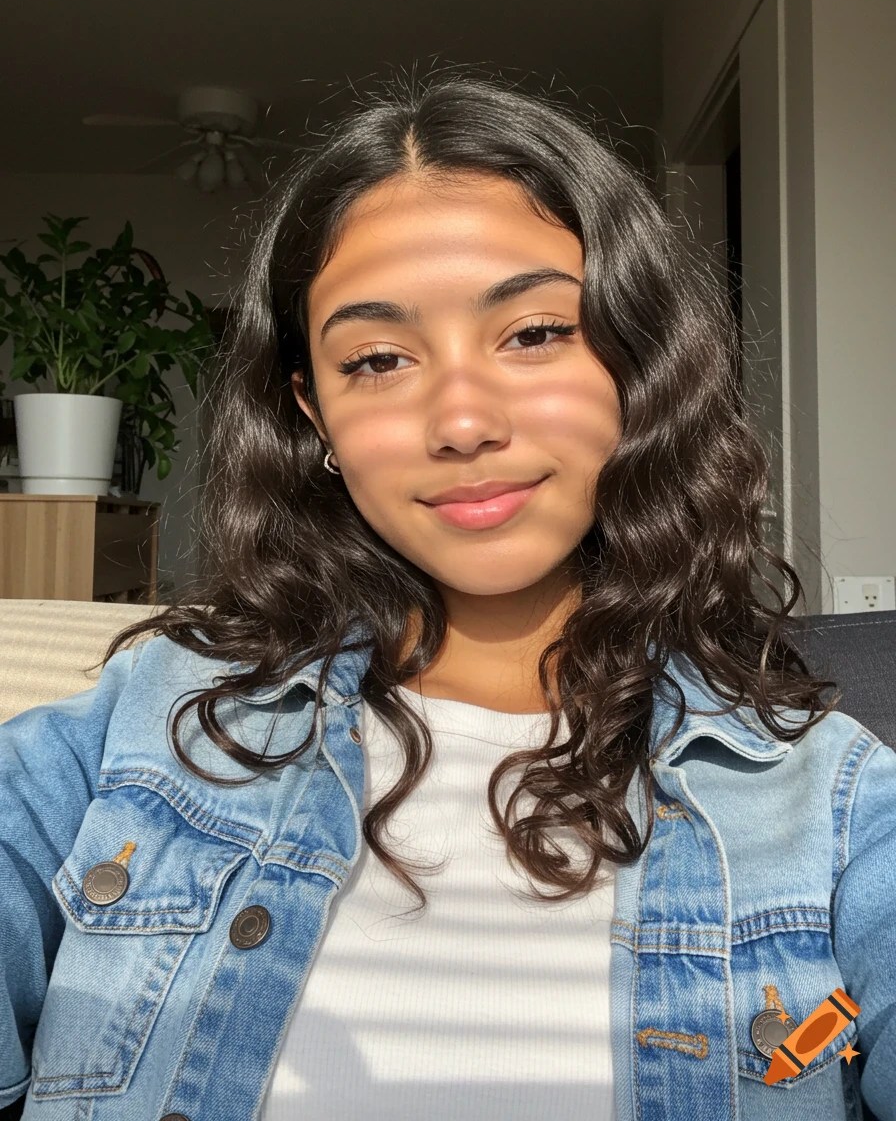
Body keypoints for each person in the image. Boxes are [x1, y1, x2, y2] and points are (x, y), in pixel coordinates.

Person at [1, 71, 894, 1121]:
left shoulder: (830, 805)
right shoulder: (148, 720)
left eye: (532, 333)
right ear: (314, 414)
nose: (460, 421)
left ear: (633, 361)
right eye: (376, 358)